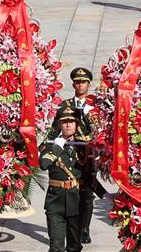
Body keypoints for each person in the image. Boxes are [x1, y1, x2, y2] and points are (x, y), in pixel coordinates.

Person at [49, 68, 101, 245]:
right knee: (75, 191)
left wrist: (87, 114)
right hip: (71, 155)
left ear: (88, 84)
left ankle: (84, 229)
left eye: (84, 82)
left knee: (88, 194)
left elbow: (99, 130)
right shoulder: (65, 105)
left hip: (89, 155)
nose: (80, 85)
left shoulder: (95, 106)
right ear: (73, 84)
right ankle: (72, 227)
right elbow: (55, 129)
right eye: (77, 82)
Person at [40, 106, 87, 252]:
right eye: (64, 122)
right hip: (55, 203)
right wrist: (57, 148)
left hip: (77, 203)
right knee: (56, 248)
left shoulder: (84, 147)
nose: (68, 125)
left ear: (76, 124)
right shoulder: (51, 145)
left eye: (71, 122)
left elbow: (91, 177)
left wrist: (105, 195)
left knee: (74, 247)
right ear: (59, 124)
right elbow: (43, 164)